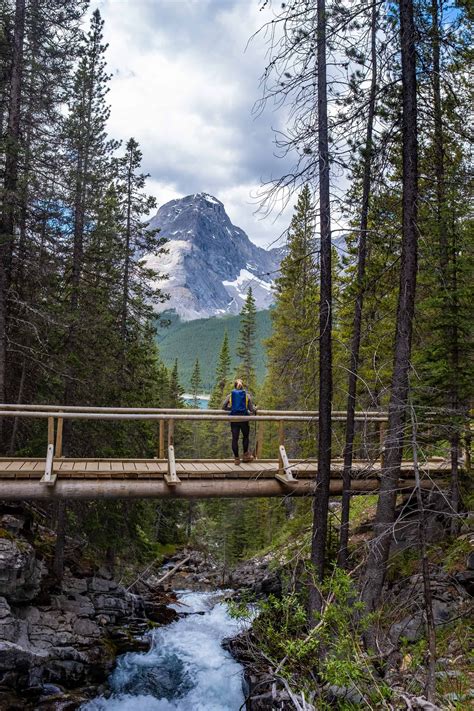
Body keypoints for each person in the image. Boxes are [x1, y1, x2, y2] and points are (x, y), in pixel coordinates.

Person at [222, 379, 256, 465]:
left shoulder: (230, 395)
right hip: (244, 419)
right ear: (242, 387)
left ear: (234, 386)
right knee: (245, 437)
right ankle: (245, 456)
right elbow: (251, 409)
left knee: (235, 439)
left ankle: (237, 459)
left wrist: (231, 409)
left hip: (234, 419)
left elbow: (223, 406)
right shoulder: (246, 396)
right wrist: (256, 408)